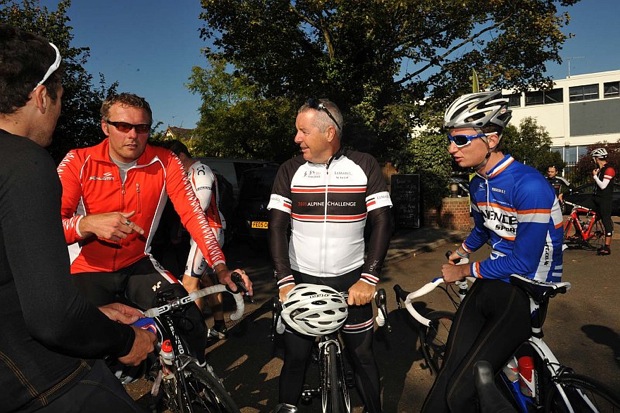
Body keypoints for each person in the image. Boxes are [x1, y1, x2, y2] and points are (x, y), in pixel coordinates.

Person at [0, 24, 156, 412]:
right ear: (40, 96)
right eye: (59, 98)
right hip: (28, 368)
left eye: (140, 127)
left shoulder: (164, 161)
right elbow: (52, 316)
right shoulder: (26, 161)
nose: (59, 109)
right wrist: (122, 342)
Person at [56, 93, 252, 364]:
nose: (133, 135)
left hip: (137, 263)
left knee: (191, 322)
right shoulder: (78, 161)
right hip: (86, 268)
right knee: (85, 351)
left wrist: (220, 267)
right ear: (105, 126)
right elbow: (48, 227)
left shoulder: (166, 161)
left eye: (142, 128)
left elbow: (194, 216)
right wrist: (87, 223)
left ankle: (191, 386)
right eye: (123, 126)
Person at [421, 91, 564, 412]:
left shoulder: (529, 184)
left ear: (493, 138)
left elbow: (525, 261)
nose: (451, 148)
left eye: (460, 139)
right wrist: (462, 250)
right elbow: (485, 228)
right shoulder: (477, 183)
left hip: (527, 290)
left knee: (461, 393)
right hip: (495, 283)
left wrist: (464, 270)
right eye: (450, 139)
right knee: (447, 375)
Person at [268, 98, 393, 412]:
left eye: (303, 131)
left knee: (363, 357)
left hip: (352, 282)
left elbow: (382, 221)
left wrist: (369, 278)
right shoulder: (290, 169)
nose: (297, 138)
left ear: (329, 133)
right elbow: (276, 227)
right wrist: (284, 280)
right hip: (300, 281)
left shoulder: (364, 165)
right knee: (295, 359)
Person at [165, 139, 229, 339]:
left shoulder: (200, 171)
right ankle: (219, 325)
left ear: (181, 156)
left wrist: (180, 226)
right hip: (207, 231)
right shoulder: (192, 172)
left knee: (189, 284)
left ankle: (193, 338)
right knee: (207, 281)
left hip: (208, 231)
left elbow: (200, 205)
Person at [582, 148, 616, 255]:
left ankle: (607, 247)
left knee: (606, 221)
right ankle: (580, 233)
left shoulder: (609, 169)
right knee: (578, 208)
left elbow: (603, 186)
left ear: (597, 158)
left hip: (604, 200)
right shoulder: (599, 170)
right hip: (595, 198)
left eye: (594, 158)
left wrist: (595, 177)